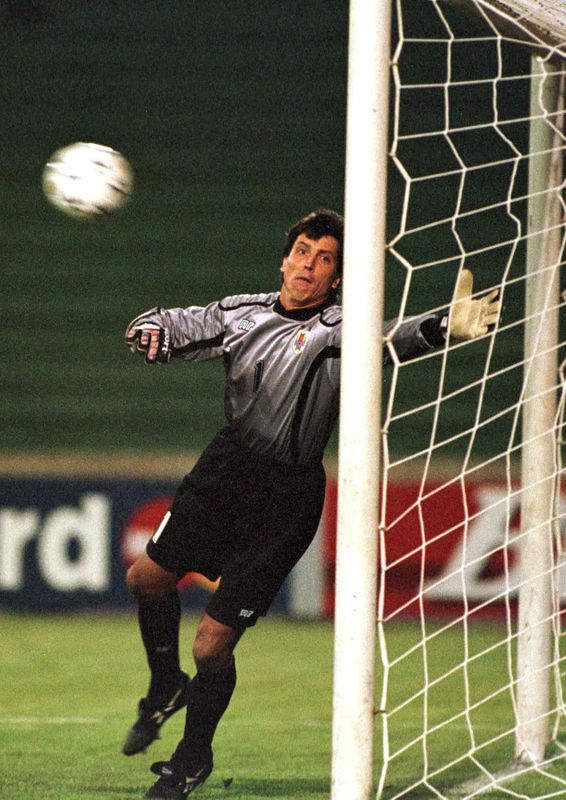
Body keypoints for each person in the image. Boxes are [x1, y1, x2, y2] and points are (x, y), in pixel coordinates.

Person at [123, 209, 500, 799]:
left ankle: (191, 759)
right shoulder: (241, 312)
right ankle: (166, 684)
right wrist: (147, 330)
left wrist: (447, 325)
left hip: (286, 495)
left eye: (325, 259)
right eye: (302, 250)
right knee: (146, 578)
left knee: (212, 644)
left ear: (338, 278)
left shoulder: (338, 328)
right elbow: (175, 322)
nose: (308, 265)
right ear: (284, 257)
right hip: (226, 470)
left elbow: (392, 334)